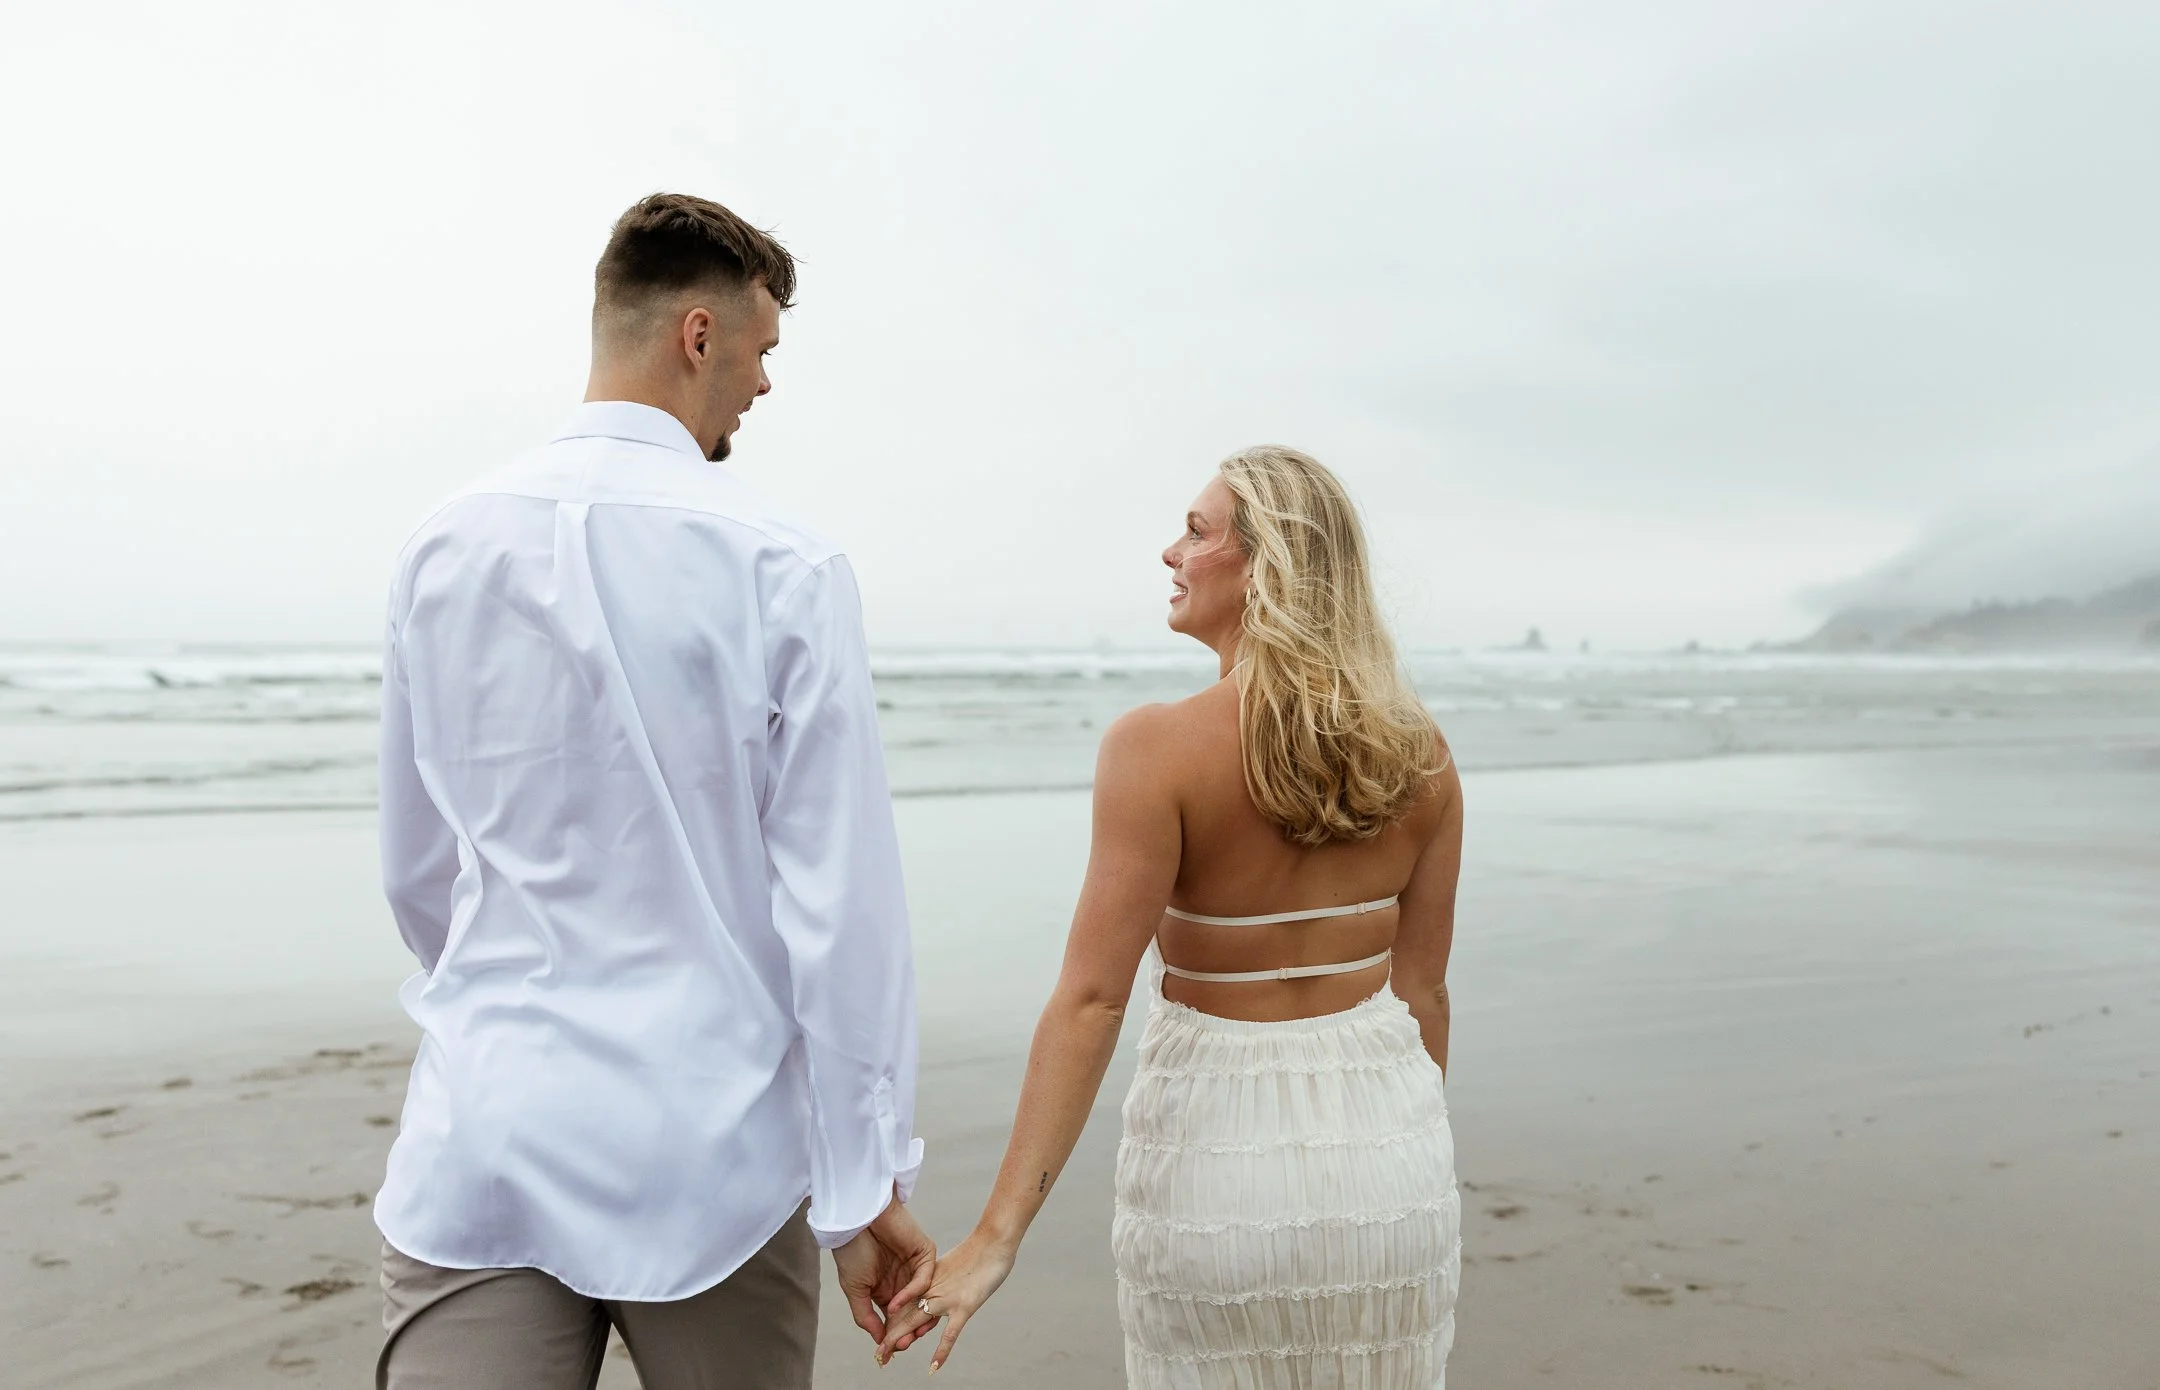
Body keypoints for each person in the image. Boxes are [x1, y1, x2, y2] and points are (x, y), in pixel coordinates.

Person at [372, 193, 933, 1389]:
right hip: (710, 1151)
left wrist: (508, 998)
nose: (763, 384)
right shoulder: (784, 563)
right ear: (697, 333)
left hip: (486, 1136)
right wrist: (860, 1185)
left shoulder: (442, 546)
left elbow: (417, 871)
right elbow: (841, 911)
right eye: (762, 350)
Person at [883, 447, 1463, 1385]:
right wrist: (1403, 1146)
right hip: (1390, 1168)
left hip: (1217, 1165)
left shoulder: (1155, 749)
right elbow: (1424, 994)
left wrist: (996, 1237)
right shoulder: (1419, 752)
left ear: (1265, 567)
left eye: (1196, 533)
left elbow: (1092, 1002)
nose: (1171, 552)